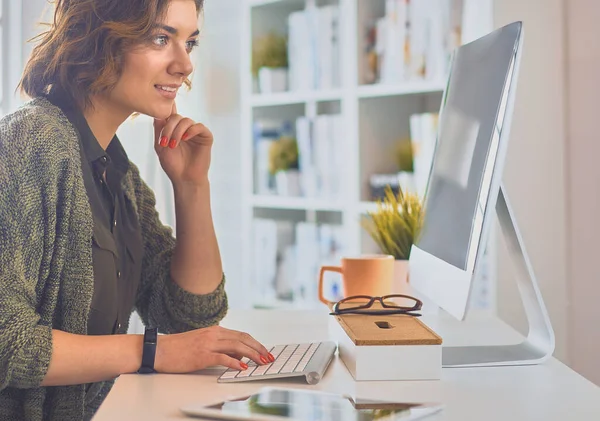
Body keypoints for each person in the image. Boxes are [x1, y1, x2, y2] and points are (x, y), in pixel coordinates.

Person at [0, 1, 274, 420]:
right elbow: (6, 341)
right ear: (99, 38)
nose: (184, 65)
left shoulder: (115, 169)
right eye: (161, 38)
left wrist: (191, 186)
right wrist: (152, 351)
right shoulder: (29, 143)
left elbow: (189, 314)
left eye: (190, 42)